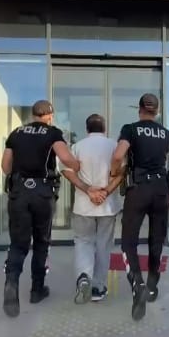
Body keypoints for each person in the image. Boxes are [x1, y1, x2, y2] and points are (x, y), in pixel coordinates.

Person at [0, 100, 80, 318]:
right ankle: (37, 289)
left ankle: (11, 282)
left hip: (19, 193)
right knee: (41, 241)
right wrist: (77, 165)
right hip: (42, 193)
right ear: (50, 115)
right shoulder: (52, 133)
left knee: (18, 244)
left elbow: (5, 167)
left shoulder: (16, 133)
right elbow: (65, 158)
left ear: (34, 114)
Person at [110, 93, 169, 321]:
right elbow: (164, 157)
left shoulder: (130, 129)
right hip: (161, 189)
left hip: (138, 189)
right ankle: (153, 286)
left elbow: (118, 154)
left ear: (139, 109)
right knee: (156, 240)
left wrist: (114, 171)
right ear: (156, 111)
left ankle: (138, 284)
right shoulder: (165, 133)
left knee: (129, 241)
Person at [61, 114, 124, 304]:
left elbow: (66, 170)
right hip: (108, 206)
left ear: (87, 129)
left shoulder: (77, 147)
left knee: (83, 242)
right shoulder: (114, 146)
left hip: (83, 205)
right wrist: (105, 192)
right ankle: (98, 287)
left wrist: (88, 190)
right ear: (104, 128)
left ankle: (83, 277)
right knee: (104, 245)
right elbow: (121, 173)